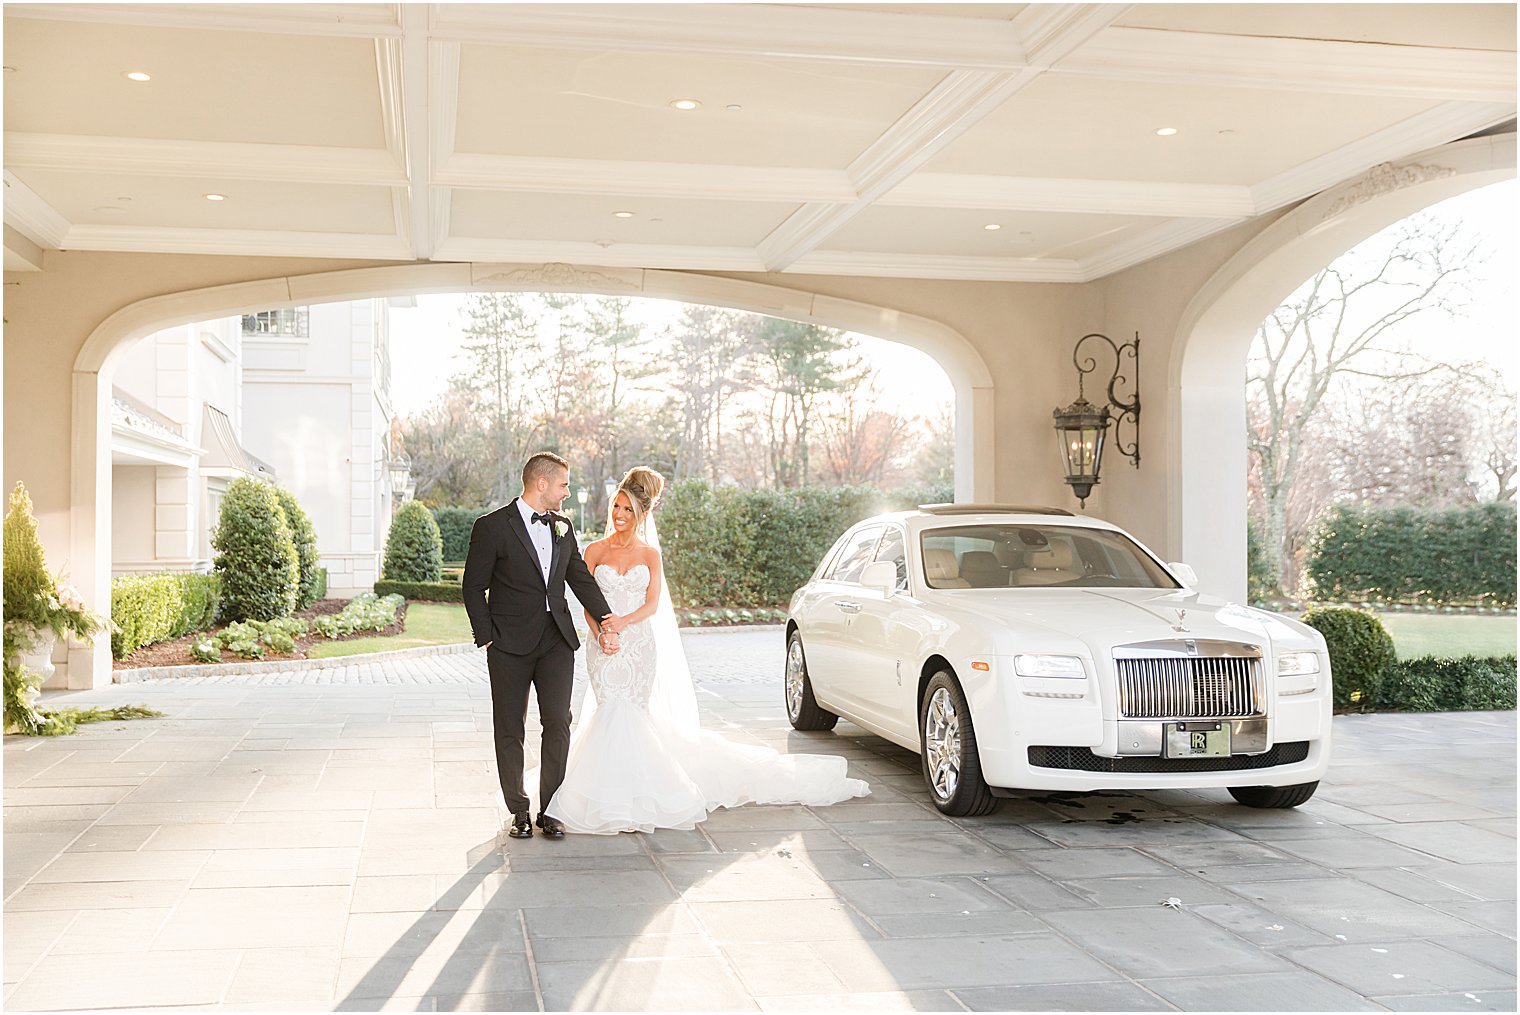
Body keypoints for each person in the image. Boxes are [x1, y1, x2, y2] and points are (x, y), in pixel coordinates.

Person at [545, 466, 869, 834]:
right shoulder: (594, 550)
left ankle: (640, 794)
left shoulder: (650, 555)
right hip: (602, 645)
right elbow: (587, 600)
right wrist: (602, 632)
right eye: (616, 507)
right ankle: (602, 792)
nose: (619, 515)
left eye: (628, 510)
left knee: (630, 712)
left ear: (642, 514)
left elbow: (652, 606)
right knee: (609, 709)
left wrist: (622, 624)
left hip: (638, 644)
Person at [462, 451, 625, 841]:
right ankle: (519, 809)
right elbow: (472, 586)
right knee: (509, 728)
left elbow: (580, 578)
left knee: (558, 722)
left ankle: (550, 809)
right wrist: (487, 636)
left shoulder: (564, 527)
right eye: (564, 484)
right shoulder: (492, 527)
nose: (567, 493)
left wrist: (606, 618)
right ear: (541, 484)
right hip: (508, 644)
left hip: (556, 641)